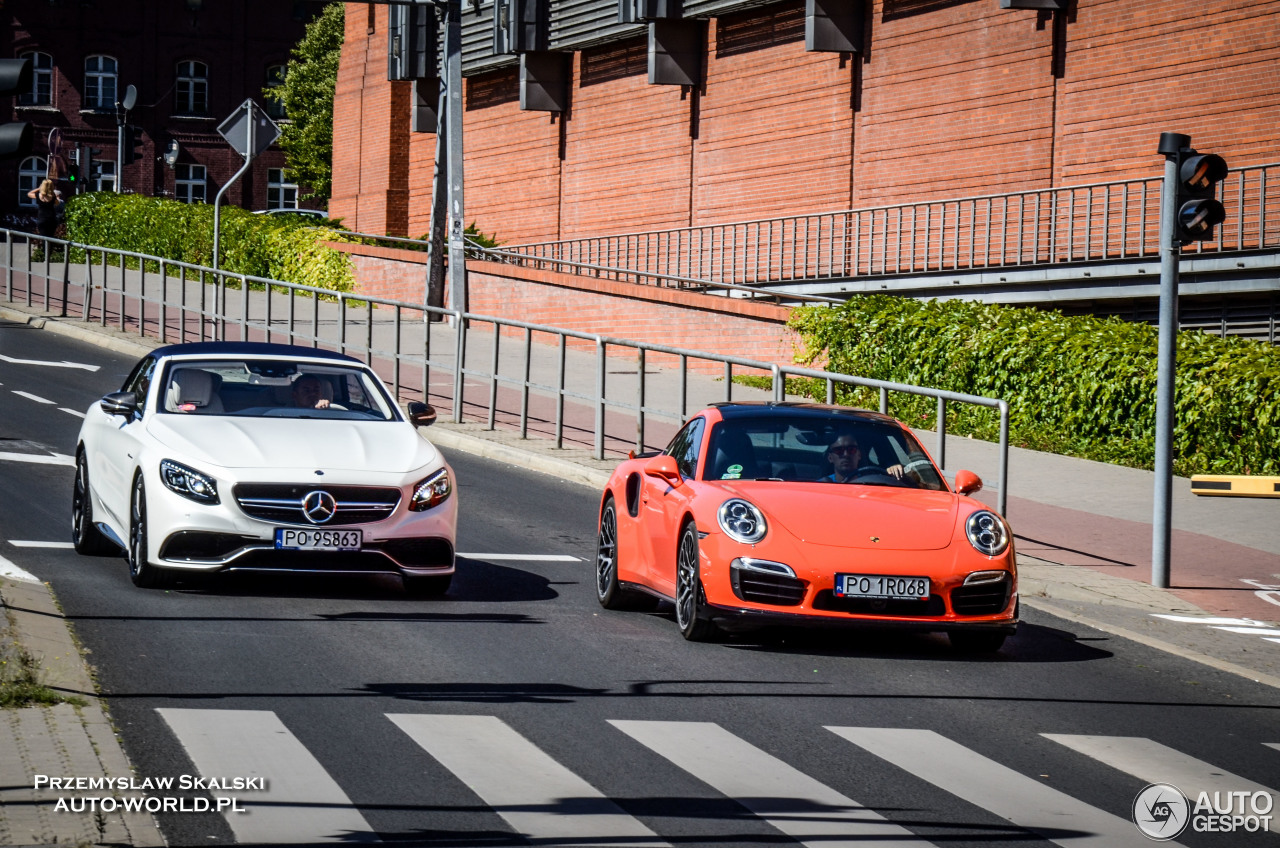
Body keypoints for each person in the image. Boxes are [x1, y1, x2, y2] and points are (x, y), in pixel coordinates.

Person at [820, 432, 912, 484]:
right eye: (839, 450)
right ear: (830, 458)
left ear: (859, 455)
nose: (845, 454)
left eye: (851, 449)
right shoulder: (820, 485)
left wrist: (897, 472)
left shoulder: (876, 482)